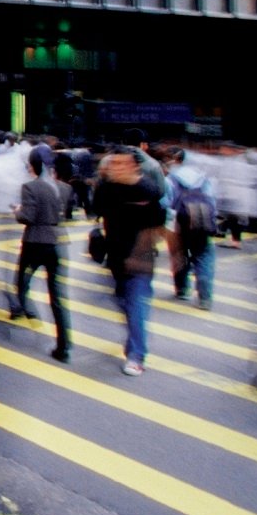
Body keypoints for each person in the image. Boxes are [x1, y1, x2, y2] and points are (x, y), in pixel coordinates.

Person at [93, 150, 165, 376]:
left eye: (122, 163)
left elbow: (157, 227)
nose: (117, 167)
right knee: (123, 301)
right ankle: (138, 332)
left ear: (135, 166)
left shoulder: (148, 190)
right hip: (115, 258)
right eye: (113, 163)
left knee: (135, 305)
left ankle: (136, 355)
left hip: (140, 260)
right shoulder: (106, 188)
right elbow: (97, 210)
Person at [10, 152, 72, 362]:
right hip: (57, 241)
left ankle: (25, 309)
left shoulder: (30, 187)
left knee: (21, 281)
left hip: (35, 242)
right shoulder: (64, 187)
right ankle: (64, 346)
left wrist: (18, 211)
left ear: (33, 167)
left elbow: (28, 216)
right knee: (57, 296)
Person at [165, 147, 217, 310]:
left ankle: (182, 290)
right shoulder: (202, 177)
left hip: (179, 223)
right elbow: (212, 200)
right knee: (203, 255)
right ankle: (205, 297)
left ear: (174, 160)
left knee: (179, 255)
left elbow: (165, 203)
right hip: (202, 221)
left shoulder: (170, 179)